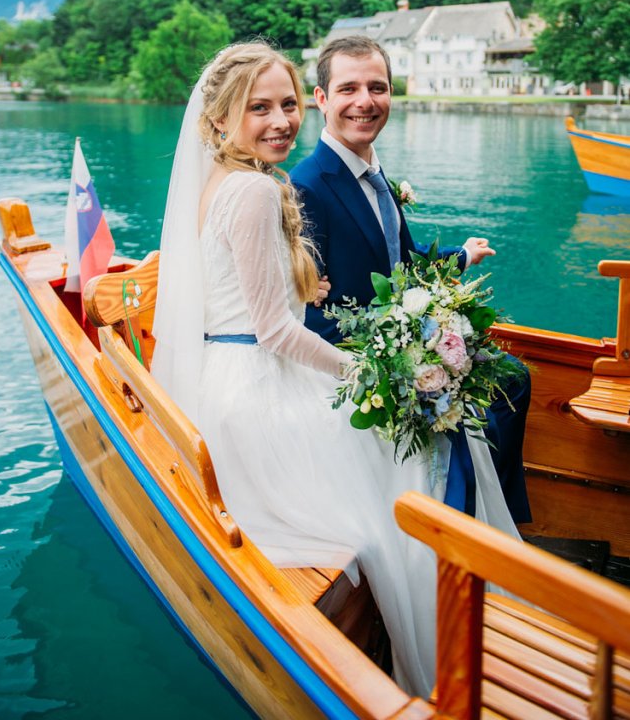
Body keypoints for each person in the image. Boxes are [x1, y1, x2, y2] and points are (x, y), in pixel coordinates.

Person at [151, 41, 519, 698]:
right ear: (219, 119)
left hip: (226, 382)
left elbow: (255, 298)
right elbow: (274, 330)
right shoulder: (260, 190)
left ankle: (457, 592)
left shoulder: (223, 184)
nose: (280, 121)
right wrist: (367, 375)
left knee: (433, 419)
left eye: (286, 104)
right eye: (257, 108)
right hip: (258, 385)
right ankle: (447, 627)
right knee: (406, 455)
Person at [291, 35, 531, 524]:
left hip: (405, 333)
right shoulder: (307, 186)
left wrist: (461, 257)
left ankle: (496, 513)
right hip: (361, 357)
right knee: (472, 405)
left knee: (514, 379)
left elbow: (403, 263)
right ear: (321, 99)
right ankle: (464, 528)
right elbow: (306, 310)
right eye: (348, 88)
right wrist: (396, 359)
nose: (365, 101)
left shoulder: (378, 178)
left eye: (377, 87)